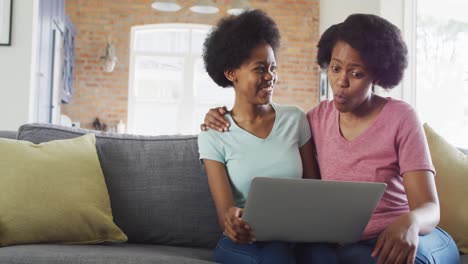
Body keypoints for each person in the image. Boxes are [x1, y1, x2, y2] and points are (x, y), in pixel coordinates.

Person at [201, 13, 460, 264]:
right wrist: (215, 115)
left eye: (356, 73)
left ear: (377, 75)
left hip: (404, 232)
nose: (340, 82)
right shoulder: (315, 119)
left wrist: (410, 222)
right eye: (335, 68)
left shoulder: (400, 117)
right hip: (348, 245)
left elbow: (429, 207)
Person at [198, 9, 319, 264]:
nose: (270, 77)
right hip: (244, 240)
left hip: (296, 235)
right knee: (278, 258)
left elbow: (314, 190)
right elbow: (225, 214)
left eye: (273, 68)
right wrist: (233, 219)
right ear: (232, 73)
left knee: (326, 258)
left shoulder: (295, 119)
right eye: (260, 69)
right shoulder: (214, 133)